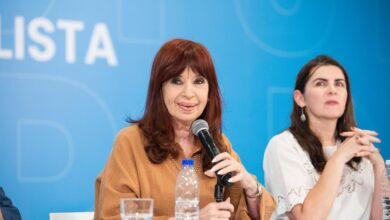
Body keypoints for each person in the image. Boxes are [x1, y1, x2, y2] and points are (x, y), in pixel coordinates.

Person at [94, 39, 275, 220]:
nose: (189, 93)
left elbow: (248, 214)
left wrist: (251, 188)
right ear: (160, 89)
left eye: (198, 81)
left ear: (209, 92)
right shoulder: (130, 141)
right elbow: (114, 216)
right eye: (177, 81)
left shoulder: (218, 143)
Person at [263, 55, 384, 219]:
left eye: (339, 84)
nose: (332, 90)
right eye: (320, 83)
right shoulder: (283, 146)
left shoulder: (359, 149)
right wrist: (338, 158)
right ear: (300, 98)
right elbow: (307, 217)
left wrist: (378, 166)